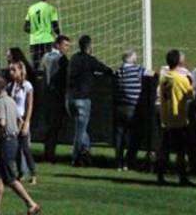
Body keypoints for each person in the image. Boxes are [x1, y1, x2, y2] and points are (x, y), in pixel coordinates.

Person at [0, 75, 41, 215]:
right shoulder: (11, 101)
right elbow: (20, 120)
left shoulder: (0, 103)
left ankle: (31, 204)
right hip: (13, 140)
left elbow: (2, 123)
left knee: (10, 178)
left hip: (5, 142)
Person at [66, 34, 110, 166]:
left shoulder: (73, 58)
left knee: (82, 129)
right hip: (82, 99)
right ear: (89, 46)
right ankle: (75, 158)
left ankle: (86, 154)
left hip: (69, 99)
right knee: (80, 132)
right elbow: (105, 69)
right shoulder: (90, 60)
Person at [156, 49, 193, 186]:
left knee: (164, 149)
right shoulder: (181, 79)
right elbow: (190, 96)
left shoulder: (164, 77)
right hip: (178, 119)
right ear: (179, 61)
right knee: (181, 151)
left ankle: (160, 175)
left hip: (165, 118)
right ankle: (182, 177)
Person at [113, 49, 145, 171]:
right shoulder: (138, 70)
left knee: (119, 136)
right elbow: (152, 74)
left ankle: (119, 162)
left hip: (120, 107)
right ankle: (129, 161)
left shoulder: (119, 71)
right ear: (131, 58)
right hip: (133, 107)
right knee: (134, 136)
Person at [40, 35, 71, 162]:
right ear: (57, 45)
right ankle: (50, 154)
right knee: (54, 126)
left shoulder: (46, 57)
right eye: (65, 45)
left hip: (46, 96)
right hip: (57, 96)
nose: (68, 48)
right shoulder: (62, 59)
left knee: (49, 126)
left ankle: (47, 152)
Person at [9, 59, 37, 185]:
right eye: (10, 70)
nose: (11, 72)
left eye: (14, 70)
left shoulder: (27, 86)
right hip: (14, 120)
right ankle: (20, 173)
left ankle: (33, 174)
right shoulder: (11, 86)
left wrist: (26, 122)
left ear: (21, 71)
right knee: (15, 147)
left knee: (25, 148)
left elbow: (30, 105)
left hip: (23, 119)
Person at [24, 0, 60, 65]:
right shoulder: (51, 8)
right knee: (49, 64)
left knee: (35, 65)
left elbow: (26, 28)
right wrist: (59, 35)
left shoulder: (31, 8)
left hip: (34, 41)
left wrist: (35, 31)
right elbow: (55, 25)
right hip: (47, 40)